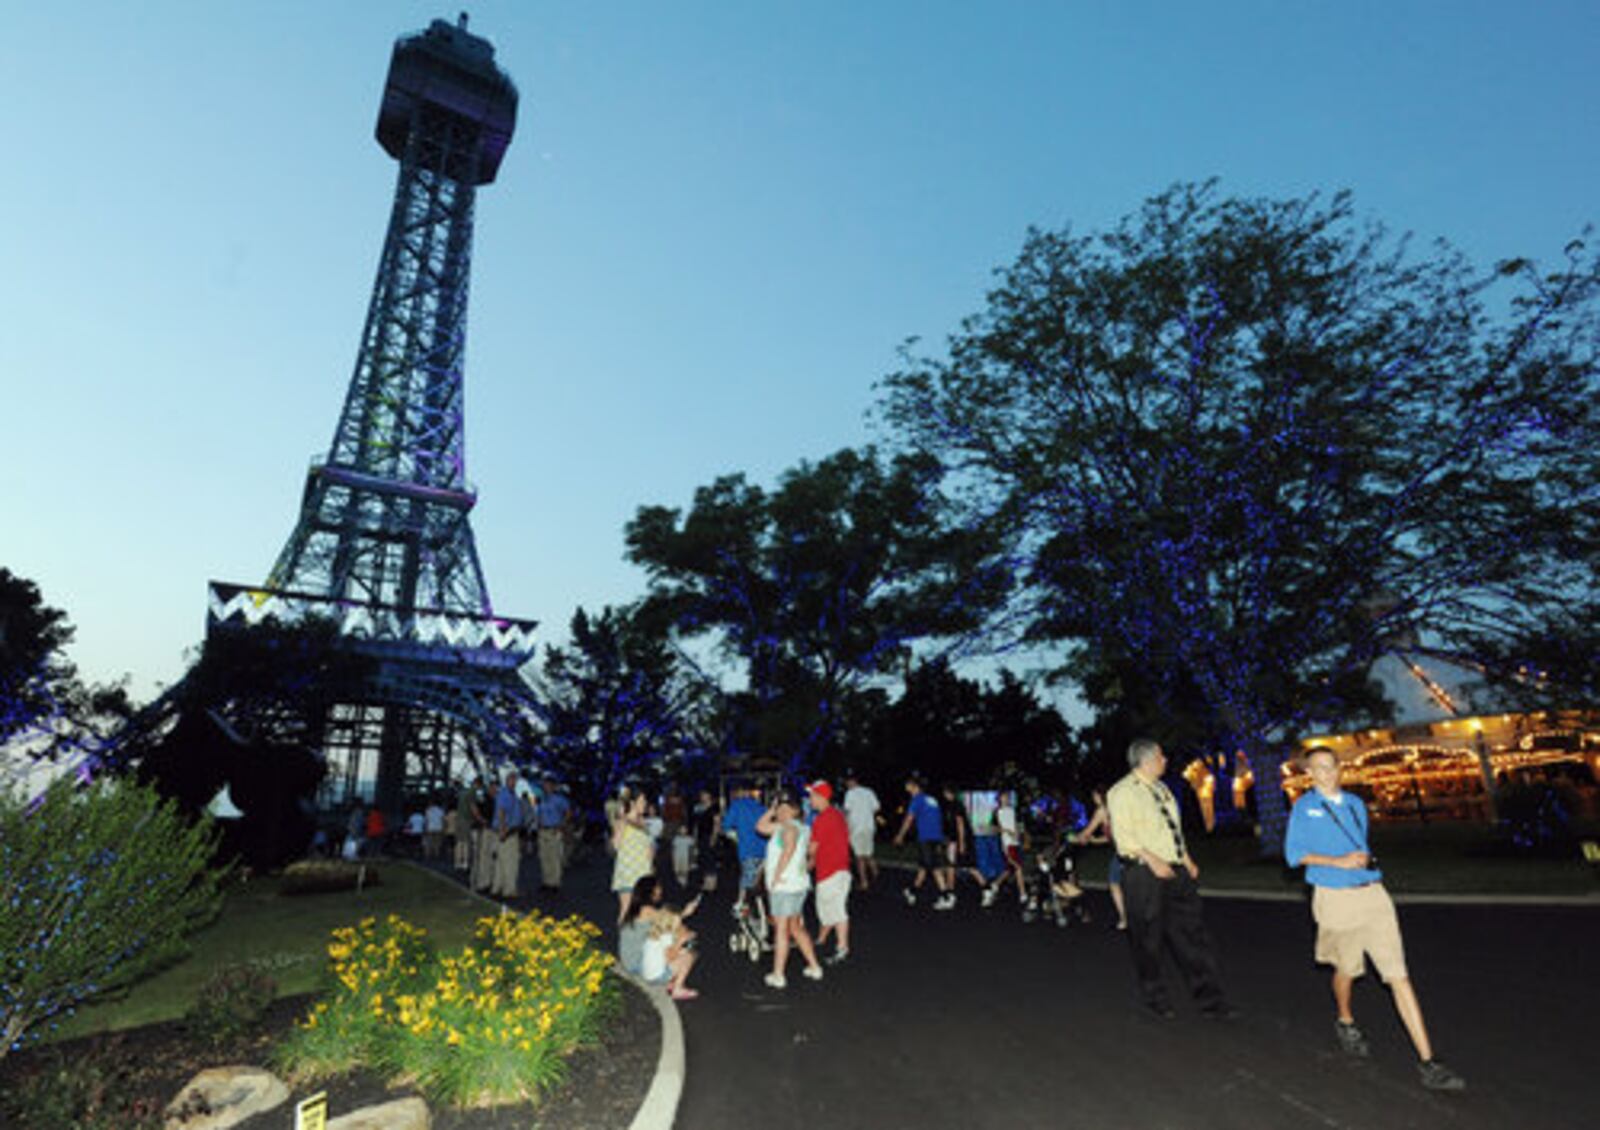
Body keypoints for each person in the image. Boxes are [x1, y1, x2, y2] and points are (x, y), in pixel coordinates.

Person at [1285, 749, 1466, 1091]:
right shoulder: (1303, 808)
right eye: (1317, 768)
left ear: (1340, 768)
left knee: (1398, 975)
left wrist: (1360, 862)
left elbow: (1361, 844)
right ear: (1310, 773)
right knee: (1347, 970)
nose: (1325, 773)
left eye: (1330, 766)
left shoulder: (1355, 803)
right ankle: (1345, 1018)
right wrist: (1337, 862)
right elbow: (1294, 856)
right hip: (1334, 898)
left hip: (1374, 894)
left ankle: (1430, 1062)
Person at [1106, 739, 1235, 1020]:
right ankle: (1156, 997)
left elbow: (1171, 829)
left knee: (1192, 936)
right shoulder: (1122, 792)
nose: (1165, 761)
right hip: (1142, 873)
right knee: (1148, 940)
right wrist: (1153, 860)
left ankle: (1211, 1000)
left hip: (1175, 871)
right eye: (1162, 756)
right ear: (1148, 760)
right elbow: (1124, 837)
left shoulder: (1162, 789)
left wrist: (1185, 859)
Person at [757, 788, 825, 988]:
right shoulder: (801, 827)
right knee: (795, 927)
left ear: (795, 810)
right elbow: (760, 827)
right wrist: (771, 809)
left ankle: (778, 975)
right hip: (799, 885)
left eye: (787, 808)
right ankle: (814, 966)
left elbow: (789, 848)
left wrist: (776, 876)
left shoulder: (788, 828)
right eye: (781, 808)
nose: (782, 811)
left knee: (781, 929)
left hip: (785, 887)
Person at [806, 780, 853, 963]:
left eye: (812, 795)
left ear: (820, 797)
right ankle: (821, 939)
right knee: (827, 908)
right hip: (839, 869)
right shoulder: (836, 815)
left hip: (830, 872)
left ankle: (842, 947)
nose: (810, 799)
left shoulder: (822, 819)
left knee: (837, 910)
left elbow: (812, 849)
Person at [894, 775, 953, 909]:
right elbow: (938, 817)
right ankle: (912, 891)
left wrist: (900, 835)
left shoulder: (917, 800)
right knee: (924, 866)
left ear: (914, 786)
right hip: (935, 837)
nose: (906, 787)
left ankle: (946, 896)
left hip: (926, 837)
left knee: (933, 867)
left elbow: (909, 819)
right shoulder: (931, 799)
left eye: (908, 784)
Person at [1077, 788, 1127, 930]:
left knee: (1114, 882)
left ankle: (1125, 919)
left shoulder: (1101, 811)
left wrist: (1076, 838)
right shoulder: (1116, 808)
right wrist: (1095, 840)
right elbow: (1110, 837)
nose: (1093, 798)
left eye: (1094, 795)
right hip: (1131, 850)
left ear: (1100, 795)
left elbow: (1087, 831)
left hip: (1123, 852)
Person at [611, 790, 655, 924]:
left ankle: (637, 942)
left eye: (645, 801)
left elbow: (649, 846)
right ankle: (625, 943)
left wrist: (651, 866)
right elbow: (616, 845)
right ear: (632, 803)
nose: (645, 804)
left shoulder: (643, 822)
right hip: (629, 872)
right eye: (642, 801)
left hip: (643, 871)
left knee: (642, 910)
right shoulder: (623, 821)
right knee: (627, 909)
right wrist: (621, 822)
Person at [982, 788, 1027, 908]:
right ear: (999, 799)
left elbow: (1017, 825)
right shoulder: (997, 812)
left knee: (1009, 869)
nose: (1006, 799)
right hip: (1006, 843)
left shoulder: (1013, 810)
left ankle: (995, 884)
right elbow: (992, 828)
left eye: (1007, 797)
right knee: (1018, 867)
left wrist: (1018, 833)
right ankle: (1023, 894)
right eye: (1004, 797)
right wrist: (1006, 831)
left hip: (1015, 842)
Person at [842, 770, 881, 891]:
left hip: (856, 827)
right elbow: (876, 807)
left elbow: (847, 811)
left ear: (850, 782)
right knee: (868, 853)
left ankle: (864, 882)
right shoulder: (868, 792)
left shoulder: (850, 794)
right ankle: (877, 875)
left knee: (859, 856)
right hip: (869, 826)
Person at [490, 768, 523, 900]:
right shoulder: (506, 794)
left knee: (501, 862)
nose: (514, 782)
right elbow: (502, 812)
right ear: (507, 780)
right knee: (510, 862)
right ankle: (509, 890)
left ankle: (497, 888)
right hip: (508, 831)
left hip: (505, 831)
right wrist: (504, 830)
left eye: (515, 780)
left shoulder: (509, 793)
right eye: (512, 779)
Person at [536, 776, 571, 892]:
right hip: (543, 830)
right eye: (544, 785)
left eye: (548, 785)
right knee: (544, 856)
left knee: (555, 857)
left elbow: (568, 812)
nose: (545, 787)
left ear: (553, 786)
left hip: (554, 830)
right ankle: (546, 881)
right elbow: (539, 814)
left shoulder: (559, 799)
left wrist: (562, 825)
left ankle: (555, 882)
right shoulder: (542, 799)